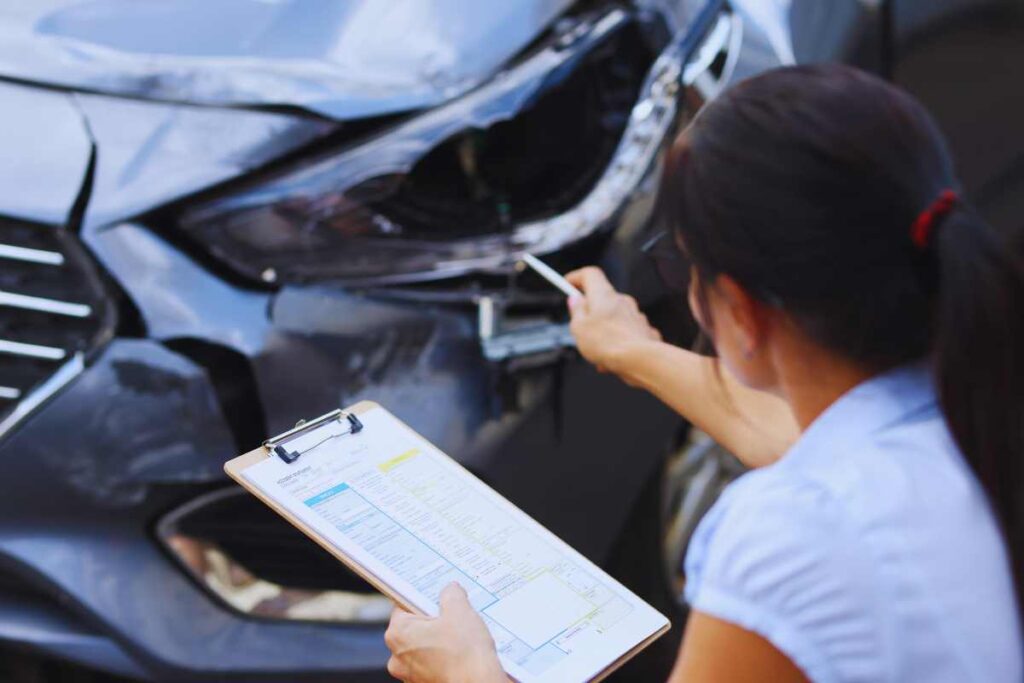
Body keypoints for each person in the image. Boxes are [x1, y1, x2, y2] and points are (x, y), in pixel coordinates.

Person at [382, 64, 1023, 682]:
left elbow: (812, 488)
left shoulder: (791, 537)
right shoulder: (978, 408)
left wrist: (469, 674)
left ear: (739, 310)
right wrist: (632, 351)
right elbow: (804, 445)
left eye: (683, 266)